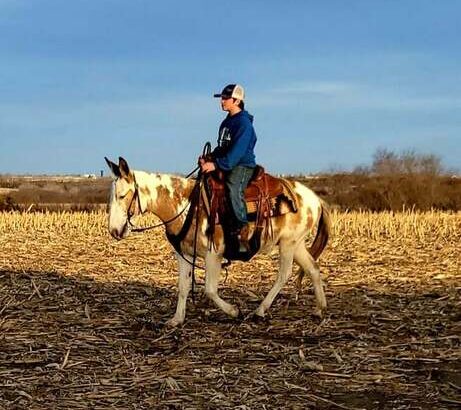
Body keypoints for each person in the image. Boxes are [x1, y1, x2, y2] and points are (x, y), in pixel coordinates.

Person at [199, 84, 257, 248]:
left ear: (237, 101)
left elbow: (236, 152)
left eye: (226, 98)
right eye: (222, 98)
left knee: (233, 186)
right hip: (227, 161)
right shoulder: (226, 122)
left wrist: (216, 164)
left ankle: (243, 227)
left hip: (242, 164)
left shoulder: (244, 124)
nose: (222, 101)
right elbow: (223, 147)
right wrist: (209, 158)